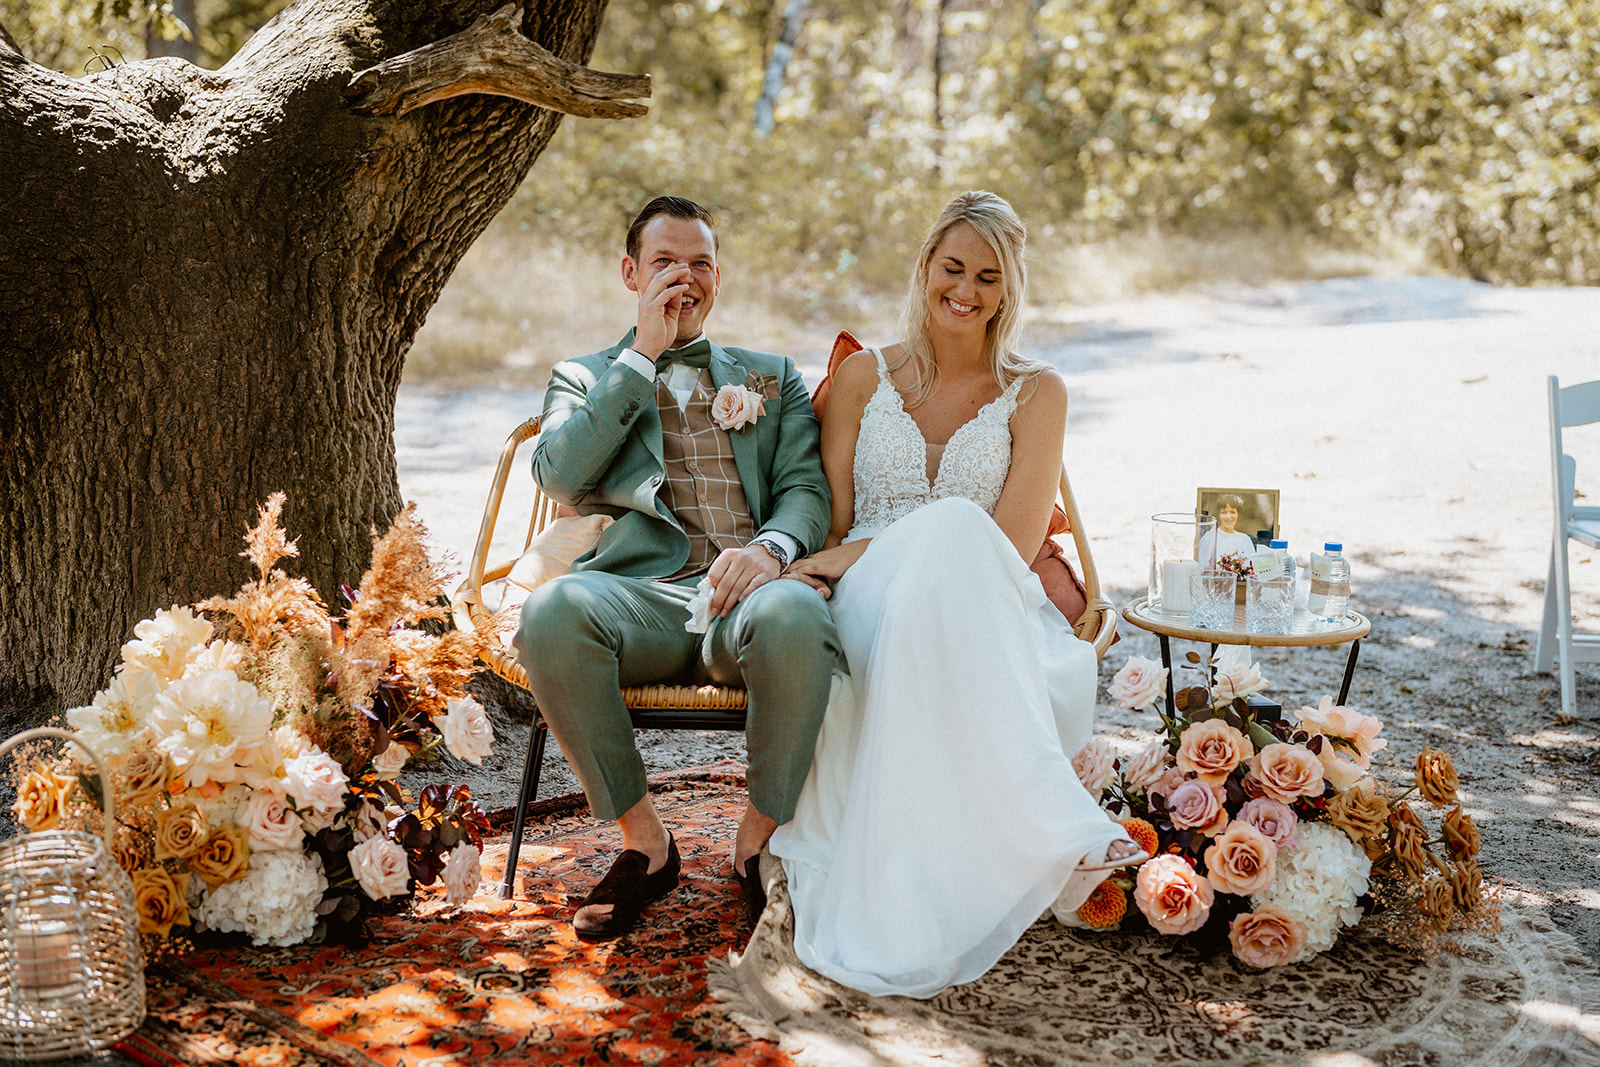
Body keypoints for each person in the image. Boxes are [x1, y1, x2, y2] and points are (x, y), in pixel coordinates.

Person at [769, 191, 1146, 998]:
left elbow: (1007, 541)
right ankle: (1057, 818)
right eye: (952, 268)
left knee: (954, 530)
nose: (965, 289)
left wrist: (865, 548)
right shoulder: (866, 376)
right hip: (871, 598)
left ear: (1008, 288)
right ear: (926, 267)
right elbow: (830, 520)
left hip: (990, 600)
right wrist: (834, 558)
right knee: (940, 534)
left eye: (987, 274)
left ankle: (1045, 818)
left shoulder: (1038, 391)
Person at [513, 196, 841, 941]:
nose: (682, 277)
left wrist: (770, 552)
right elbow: (560, 474)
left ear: (718, 279)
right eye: (664, 262)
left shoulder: (770, 377)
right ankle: (646, 843)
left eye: (699, 263)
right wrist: (641, 359)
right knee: (551, 611)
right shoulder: (583, 375)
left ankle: (756, 839)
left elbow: (805, 492)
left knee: (798, 612)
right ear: (631, 273)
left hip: (746, 600)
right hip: (640, 598)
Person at [1197, 495, 1257, 565]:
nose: (1228, 517)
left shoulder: (1245, 540)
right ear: (1219, 515)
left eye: (1232, 512)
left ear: (1238, 514)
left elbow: (1252, 569)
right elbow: (1202, 568)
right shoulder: (1209, 537)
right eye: (1224, 512)